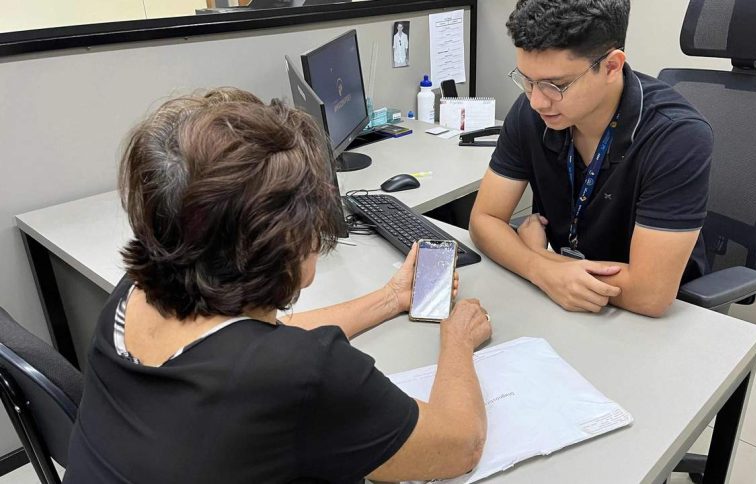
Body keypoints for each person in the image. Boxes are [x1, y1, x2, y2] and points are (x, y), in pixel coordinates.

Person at [64, 88, 492, 483]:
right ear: (288, 240)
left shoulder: (134, 293)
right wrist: (457, 343)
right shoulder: (304, 373)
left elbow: (252, 345)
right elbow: (461, 445)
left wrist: (389, 298)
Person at [469, 0, 713, 318]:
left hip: (647, 322)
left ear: (611, 66)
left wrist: (538, 256)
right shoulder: (533, 111)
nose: (537, 101)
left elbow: (649, 294)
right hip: (562, 303)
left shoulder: (677, 137)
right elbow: (484, 220)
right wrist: (538, 266)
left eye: (556, 85)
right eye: (527, 80)